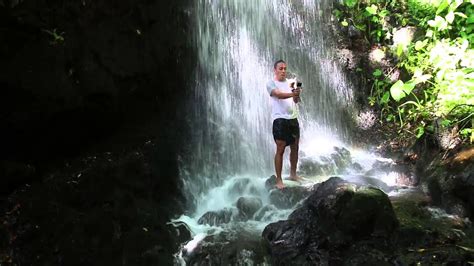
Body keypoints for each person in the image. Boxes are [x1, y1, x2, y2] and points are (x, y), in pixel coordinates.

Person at [266, 59, 302, 189]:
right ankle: (279, 180)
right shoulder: (271, 83)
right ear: (275, 70)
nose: (283, 71)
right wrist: (292, 93)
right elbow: (278, 95)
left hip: (293, 118)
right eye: (280, 68)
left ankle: (293, 174)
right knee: (280, 149)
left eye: (285, 68)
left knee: (295, 147)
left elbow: (296, 101)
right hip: (279, 119)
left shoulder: (291, 83)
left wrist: (297, 93)